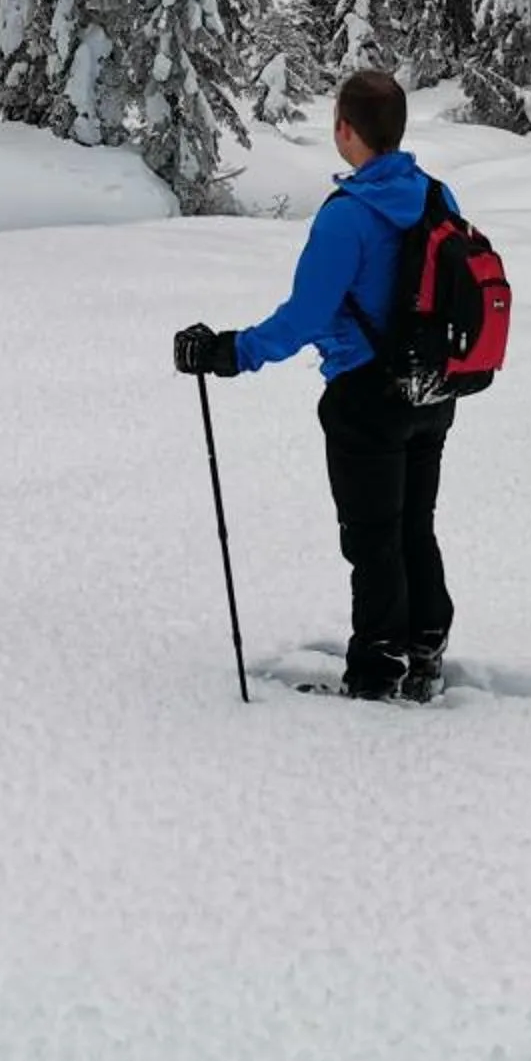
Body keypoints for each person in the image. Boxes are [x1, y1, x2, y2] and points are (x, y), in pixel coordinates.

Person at [174, 69, 457, 703]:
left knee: (372, 536)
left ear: (344, 130)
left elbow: (305, 317)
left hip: (366, 396)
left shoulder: (347, 218)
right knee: (414, 524)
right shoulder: (437, 197)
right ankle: (425, 644)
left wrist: (230, 353)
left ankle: (379, 670)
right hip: (433, 391)